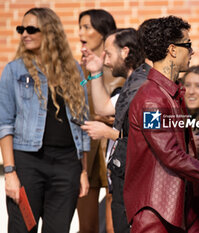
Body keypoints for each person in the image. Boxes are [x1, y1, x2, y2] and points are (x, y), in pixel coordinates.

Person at [124, 15, 199, 233]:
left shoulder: (170, 93)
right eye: (188, 45)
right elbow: (170, 155)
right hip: (158, 212)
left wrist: (190, 142)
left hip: (182, 207)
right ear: (173, 50)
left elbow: (169, 148)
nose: (192, 52)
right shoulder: (151, 99)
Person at [0, 7, 90, 233]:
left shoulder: (74, 70)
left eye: (31, 29)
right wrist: (10, 172)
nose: (24, 34)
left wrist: (83, 170)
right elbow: (4, 123)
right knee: (22, 229)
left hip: (67, 165)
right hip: (28, 163)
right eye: (21, 29)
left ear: (50, 32)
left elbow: (82, 123)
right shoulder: (14, 71)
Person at [81, 27, 145, 233]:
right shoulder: (131, 85)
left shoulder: (144, 86)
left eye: (108, 53)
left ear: (125, 52)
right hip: (122, 182)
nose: (106, 61)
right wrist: (95, 72)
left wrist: (108, 133)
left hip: (137, 186)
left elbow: (150, 138)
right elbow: (103, 107)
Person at [77, 9, 117, 233]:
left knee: (114, 226)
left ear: (102, 32)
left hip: (113, 145)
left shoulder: (119, 67)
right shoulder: (76, 68)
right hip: (86, 147)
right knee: (87, 226)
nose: (80, 32)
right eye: (79, 27)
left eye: (86, 27)